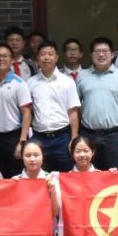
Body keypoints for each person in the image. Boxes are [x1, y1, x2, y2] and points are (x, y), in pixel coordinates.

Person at [76, 37, 118, 171]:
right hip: (88, 134)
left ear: (112, 54)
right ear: (91, 55)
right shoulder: (82, 76)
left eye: (105, 51)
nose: (101, 54)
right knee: (88, 174)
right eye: (97, 51)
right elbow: (75, 107)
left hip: (113, 135)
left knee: (114, 174)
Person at [27, 40, 80, 173]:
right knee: (40, 176)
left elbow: (73, 112)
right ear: (37, 57)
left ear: (56, 57)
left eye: (50, 54)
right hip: (39, 137)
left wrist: (74, 138)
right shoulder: (30, 83)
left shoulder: (67, 81)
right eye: (43, 54)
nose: (46, 58)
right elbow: (28, 112)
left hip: (62, 137)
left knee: (66, 176)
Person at [0, 44, 32, 178]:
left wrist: (22, 141)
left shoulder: (20, 83)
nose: (1, 59)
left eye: (4, 56)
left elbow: (27, 113)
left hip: (13, 136)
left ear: (11, 60)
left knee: (15, 177)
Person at [14, 140, 61, 217]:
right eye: (28, 155)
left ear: (43, 156)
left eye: (36, 155)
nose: (32, 159)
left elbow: (55, 213)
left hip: (45, 223)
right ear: (22, 157)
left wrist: (52, 190)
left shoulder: (52, 180)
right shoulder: (15, 181)